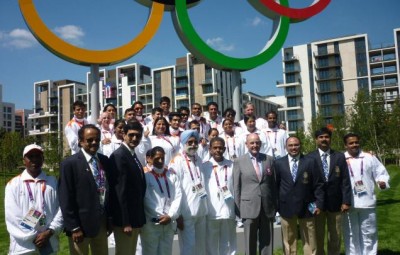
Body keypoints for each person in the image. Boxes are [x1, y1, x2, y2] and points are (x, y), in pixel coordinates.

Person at [59, 124, 112, 255]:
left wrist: (109, 221)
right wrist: (74, 227)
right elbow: (65, 198)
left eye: (97, 139)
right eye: (89, 140)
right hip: (80, 227)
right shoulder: (69, 164)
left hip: (101, 223)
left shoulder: (105, 161)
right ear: (80, 141)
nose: (94, 142)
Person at [5, 144, 63, 254]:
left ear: (43, 159)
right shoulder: (13, 184)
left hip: (49, 242)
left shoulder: (53, 182)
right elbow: (12, 217)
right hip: (23, 247)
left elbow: (61, 209)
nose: (34, 160)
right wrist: (34, 236)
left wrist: (50, 232)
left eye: (38, 156)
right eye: (30, 156)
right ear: (24, 160)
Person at [273, 136, 324, 255]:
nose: (293, 148)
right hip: (286, 207)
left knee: (310, 240)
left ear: (300, 145)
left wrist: (319, 204)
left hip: (308, 206)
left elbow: (318, 184)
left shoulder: (310, 161)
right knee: (289, 240)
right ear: (286, 147)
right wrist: (277, 206)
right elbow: (275, 186)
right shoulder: (279, 163)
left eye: (296, 145)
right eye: (290, 145)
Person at [342, 133, 390, 255]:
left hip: (367, 201)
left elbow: (381, 172)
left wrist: (382, 182)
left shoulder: (369, 157)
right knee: (351, 234)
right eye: (351, 143)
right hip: (349, 203)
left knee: (369, 233)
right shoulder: (341, 158)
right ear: (345, 145)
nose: (354, 145)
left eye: (356, 142)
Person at [307, 127, 352, 255]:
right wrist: (311, 204)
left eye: (326, 137)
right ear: (316, 140)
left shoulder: (339, 156)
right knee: (317, 236)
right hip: (317, 204)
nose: (324, 139)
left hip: (336, 203)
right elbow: (308, 184)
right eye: (321, 137)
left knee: (335, 235)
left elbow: (345, 181)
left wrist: (346, 201)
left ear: (330, 139)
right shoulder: (309, 157)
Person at [233, 133, 276, 255]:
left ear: (261, 144)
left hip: (267, 207)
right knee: (249, 241)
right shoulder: (239, 161)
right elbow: (236, 187)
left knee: (267, 241)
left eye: (257, 142)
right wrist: (238, 208)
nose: (255, 145)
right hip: (248, 207)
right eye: (252, 143)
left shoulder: (269, 159)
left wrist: (274, 205)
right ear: (246, 144)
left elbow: (273, 184)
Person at [109, 122, 147, 254]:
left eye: (138, 135)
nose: (135, 139)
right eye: (131, 135)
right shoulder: (120, 156)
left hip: (134, 216)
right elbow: (120, 191)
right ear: (123, 135)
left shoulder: (132, 154)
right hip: (125, 220)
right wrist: (125, 222)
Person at [169, 130, 208, 255]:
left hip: (201, 211)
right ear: (183, 143)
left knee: (201, 247)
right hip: (186, 214)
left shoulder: (199, 159)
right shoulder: (176, 161)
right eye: (189, 142)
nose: (193, 145)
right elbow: (174, 190)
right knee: (188, 248)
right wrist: (178, 214)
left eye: (195, 142)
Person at [141, 147, 182, 255]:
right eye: (157, 158)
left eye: (162, 158)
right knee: (150, 252)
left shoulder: (172, 175)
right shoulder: (146, 177)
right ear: (150, 159)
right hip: (152, 222)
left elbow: (178, 197)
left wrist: (170, 215)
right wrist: (161, 215)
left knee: (166, 252)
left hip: (169, 221)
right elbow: (146, 199)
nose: (160, 161)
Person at [203, 137, 236, 255]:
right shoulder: (204, 166)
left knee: (228, 243)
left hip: (228, 209)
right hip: (212, 210)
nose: (218, 150)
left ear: (225, 149)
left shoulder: (232, 165)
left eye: (220, 148)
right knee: (211, 243)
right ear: (210, 149)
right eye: (215, 148)